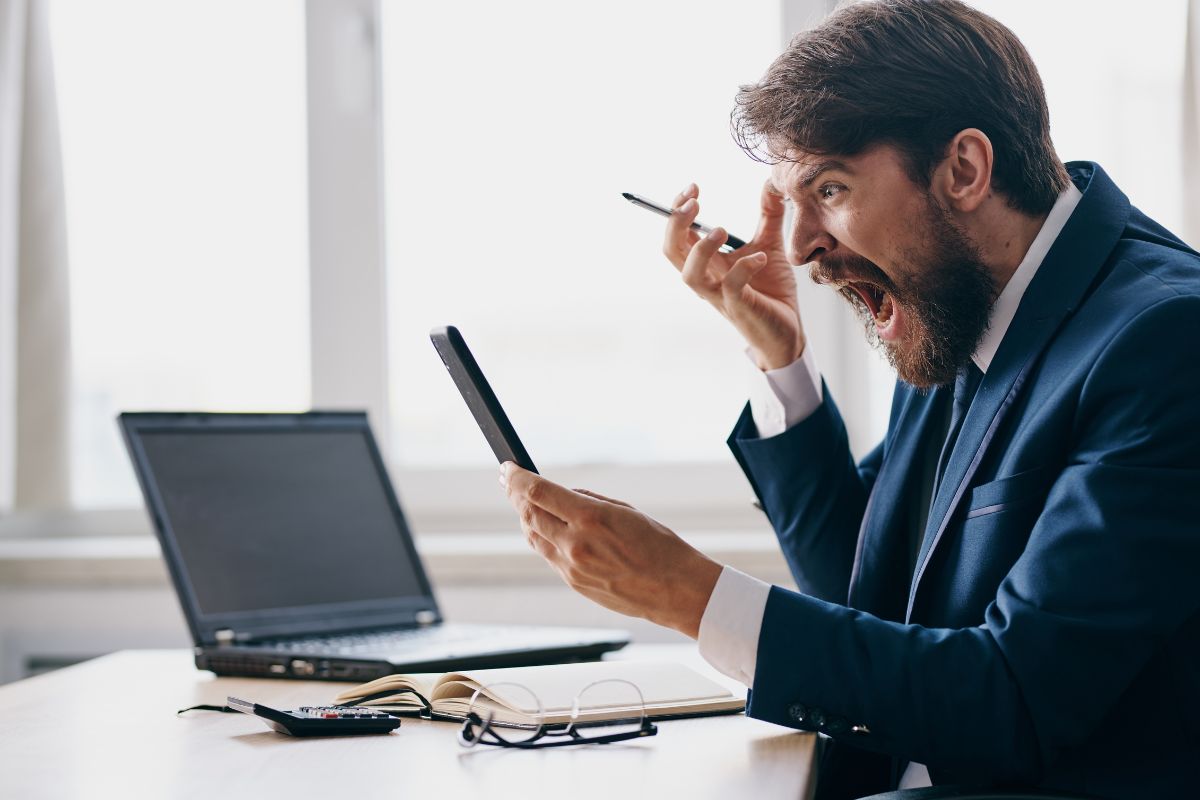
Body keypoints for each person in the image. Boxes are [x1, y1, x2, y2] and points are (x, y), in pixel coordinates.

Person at [498, 1, 1200, 797]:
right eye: (789, 201)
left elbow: (1016, 701)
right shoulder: (963, 305)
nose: (798, 247)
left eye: (828, 188)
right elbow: (869, 595)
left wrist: (693, 596)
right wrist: (779, 357)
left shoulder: (1168, 340)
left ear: (964, 170)